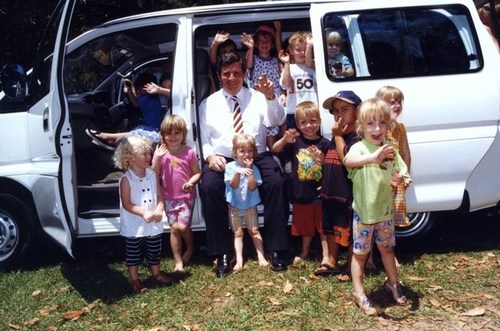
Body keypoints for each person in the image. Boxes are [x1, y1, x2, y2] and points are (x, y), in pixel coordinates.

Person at [199, 52, 288, 277]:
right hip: (225, 157)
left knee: (276, 181)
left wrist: (270, 97)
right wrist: (210, 157)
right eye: (226, 74)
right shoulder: (208, 104)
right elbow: (205, 139)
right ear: (219, 76)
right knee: (209, 186)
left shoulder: (258, 97)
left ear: (244, 73)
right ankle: (223, 253)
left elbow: (276, 120)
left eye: (236, 73)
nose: (232, 78)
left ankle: (276, 249)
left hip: (255, 154)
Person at [344, 98, 412, 315]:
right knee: (360, 254)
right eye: (371, 124)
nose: (377, 129)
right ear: (361, 127)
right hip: (364, 215)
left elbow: (401, 171)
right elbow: (349, 161)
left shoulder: (390, 149)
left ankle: (392, 283)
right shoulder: (359, 149)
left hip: (385, 214)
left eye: (382, 123)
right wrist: (373, 157)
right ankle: (359, 292)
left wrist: (401, 178)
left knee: (387, 249)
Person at [272, 101, 329, 269]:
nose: (308, 126)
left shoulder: (325, 143)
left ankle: (326, 255)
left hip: (319, 194)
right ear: (297, 124)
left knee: (322, 227)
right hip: (301, 193)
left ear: (319, 121)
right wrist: (284, 139)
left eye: (312, 121)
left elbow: (332, 167)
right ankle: (304, 252)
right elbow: (275, 149)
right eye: (303, 122)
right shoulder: (296, 142)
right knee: (305, 227)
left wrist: (322, 159)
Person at [113, 134, 172, 294]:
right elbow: (127, 204)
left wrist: (159, 208)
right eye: (144, 154)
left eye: (149, 153)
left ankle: (156, 273)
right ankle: (135, 279)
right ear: (130, 158)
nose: (149, 156)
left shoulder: (152, 174)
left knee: (154, 249)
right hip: (135, 224)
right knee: (134, 252)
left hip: (153, 221)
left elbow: (160, 196)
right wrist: (144, 212)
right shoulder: (126, 180)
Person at [318, 90, 362, 279]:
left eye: (345, 109)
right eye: (335, 111)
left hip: (348, 194)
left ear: (357, 111)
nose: (339, 114)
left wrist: (337, 136)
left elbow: (346, 159)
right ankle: (332, 260)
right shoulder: (335, 137)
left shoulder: (357, 138)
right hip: (331, 192)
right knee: (330, 226)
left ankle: (352, 266)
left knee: (351, 230)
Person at [151, 114, 201, 273]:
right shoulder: (161, 153)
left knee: (183, 226)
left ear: (183, 134)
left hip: (185, 197)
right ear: (163, 135)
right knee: (174, 228)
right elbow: (153, 174)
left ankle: (190, 248)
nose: (172, 137)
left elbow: (197, 173)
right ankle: (178, 261)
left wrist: (191, 182)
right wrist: (157, 159)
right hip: (168, 197)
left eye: (177, 133)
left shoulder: (189, 152)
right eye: (168, 133)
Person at [86, 73, 171, 150]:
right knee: (136, 130)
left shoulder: (147, 98)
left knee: (136, 133)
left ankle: (104, 136)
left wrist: (129, 91)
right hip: (153, 128)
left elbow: (136, 103)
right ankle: (113, 139)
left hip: (154, 130)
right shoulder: (153, 98)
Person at [225, 133, 269, 271]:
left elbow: (253, 186)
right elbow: (233, 185)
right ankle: (239, 260)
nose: (246, 154)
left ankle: (261, 257)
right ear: (235, 153)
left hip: (250, 206)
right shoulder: (230, 167)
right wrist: (238, 172)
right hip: (234, 207)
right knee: (238, 233)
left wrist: (249, 172)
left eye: (249, 151)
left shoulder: (254, 168)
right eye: (242, 151)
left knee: (254, 231)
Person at [241, 22, 284, 152]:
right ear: (256, 43)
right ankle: (270, 153)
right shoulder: (253, 58)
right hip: (259, 97)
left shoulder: (276, 60)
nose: (264, 45)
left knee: (280, 124)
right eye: (260, 42)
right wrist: (250, 48)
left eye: (268, 42)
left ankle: (280, 154)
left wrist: (283, 93)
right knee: (265, 127)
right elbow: (248, 66)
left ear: (271, 45)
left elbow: (282, 80)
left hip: (274, 95)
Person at [279, 31, 319, 131]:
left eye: (305, 49)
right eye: (298, 49)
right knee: (295, 143)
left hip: (313, 112)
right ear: (291, 51)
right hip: (294, 112)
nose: (302, 52)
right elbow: (286, 84)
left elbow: (310, 63)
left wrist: (309, 45)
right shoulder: (289, 68)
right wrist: (287, 63)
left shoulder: (313, 66)